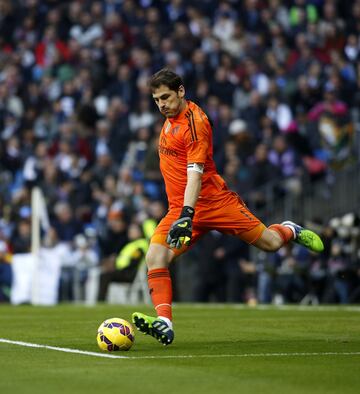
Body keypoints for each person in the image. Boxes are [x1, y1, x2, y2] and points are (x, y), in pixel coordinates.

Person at [132, 68, 324, 346]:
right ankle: (165, 323)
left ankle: (289, 230)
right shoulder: (169, 119)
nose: (161, 104)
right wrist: (183, 212)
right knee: (155, 257)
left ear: (181, 92)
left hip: (214, 203)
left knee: (270, 243)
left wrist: (187, 214)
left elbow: (195, 173)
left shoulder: (196, 124)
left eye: (165, 97)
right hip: (181, 208)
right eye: (156, 100)